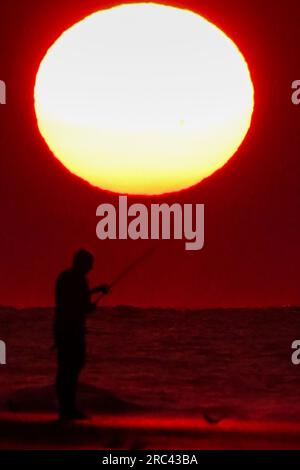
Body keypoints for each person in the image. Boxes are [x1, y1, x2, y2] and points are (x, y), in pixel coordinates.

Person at [54, 249, 109, 420]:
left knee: (67, 368)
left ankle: (66, 408)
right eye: (89, 264)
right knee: (71, 368)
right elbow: (81, 304)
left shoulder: (65, 277)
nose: (91, 268)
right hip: (72, 329)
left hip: (62, 327)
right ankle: (67, 408)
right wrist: (92, 303)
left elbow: (71, 300)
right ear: (83, 263)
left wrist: (96, 291)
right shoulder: (78, 280)